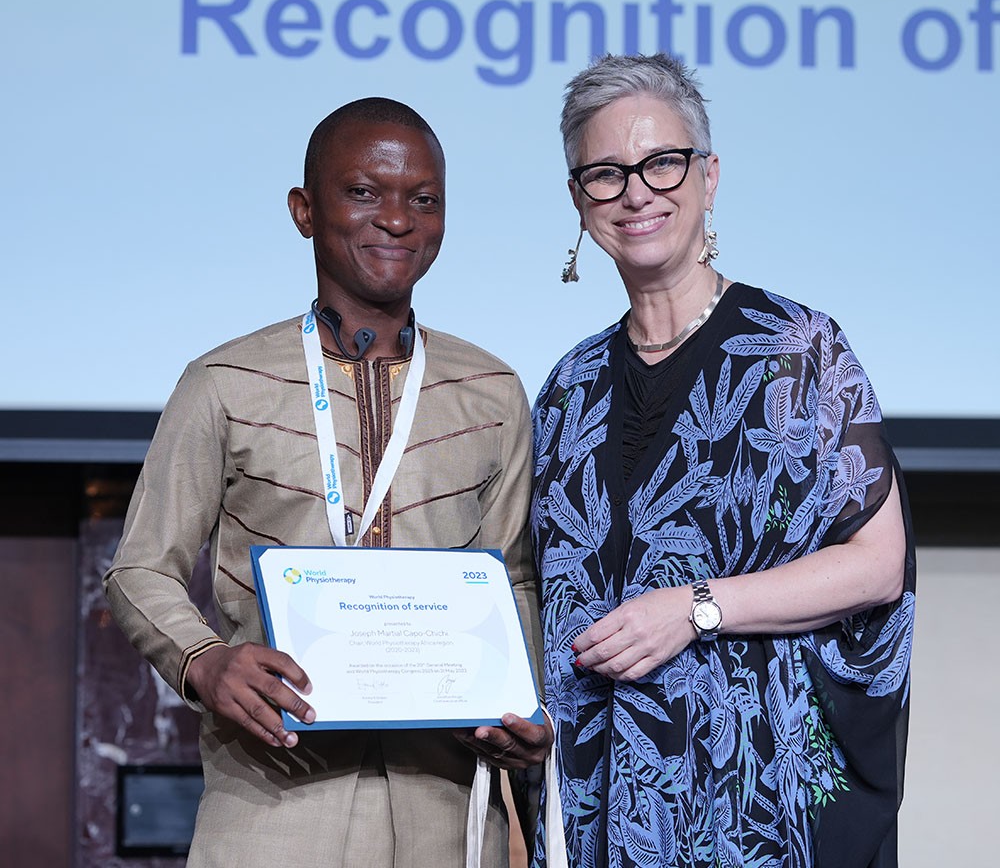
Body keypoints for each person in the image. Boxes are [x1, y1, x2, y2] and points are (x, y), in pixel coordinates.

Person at [105, 97, 552, 868]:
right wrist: (204, 660)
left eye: (424, 199)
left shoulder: (491, 391)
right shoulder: (225, 381)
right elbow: (139, 568)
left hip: (444, 811)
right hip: (273, 803)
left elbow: (511, 578)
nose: (397, 219)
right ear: (304, 210)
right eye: (364, 192)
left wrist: (522, 705)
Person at [530, 54, 914, 868]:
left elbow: (878, 567)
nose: (637, 193)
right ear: (579, 201)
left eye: (662, 163)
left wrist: (696, 608)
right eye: (606, 173)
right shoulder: (568, 388)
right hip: (600, 810)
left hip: (752, 808)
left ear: (708, 177)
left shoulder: (797, 351)